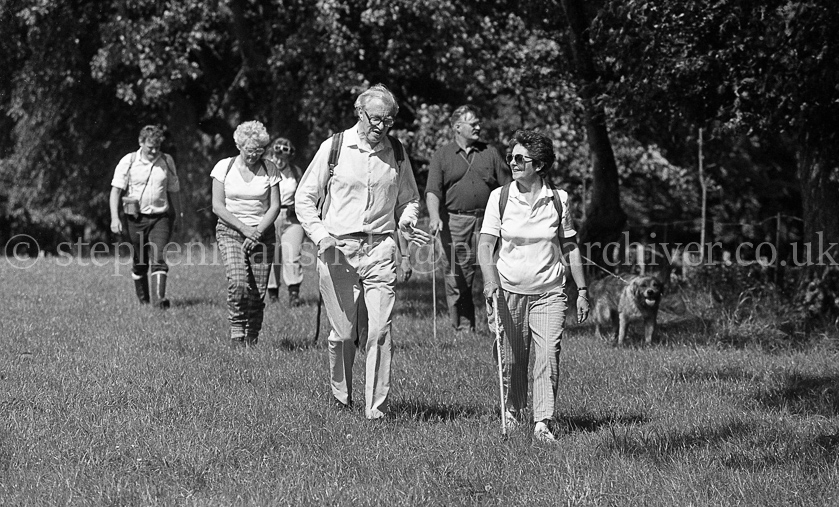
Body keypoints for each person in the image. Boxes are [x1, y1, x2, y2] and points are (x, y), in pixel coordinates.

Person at [295, 84, 430, 419]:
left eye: (388, 121)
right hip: (338, 248)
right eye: (375, 119)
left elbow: (410, 198)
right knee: (342, 334)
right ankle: (342, 399)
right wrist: (321, 236)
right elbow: (304, 198)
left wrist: (407, 222)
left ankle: (376, 408)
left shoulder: (396, 152)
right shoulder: (335, 147)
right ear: (359, 112)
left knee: (380, 330)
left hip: (381, 248)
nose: (381, 127)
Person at [477, 129, 589, 442]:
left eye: (519, 158)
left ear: (538, 165)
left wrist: (581, 290)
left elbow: (570, 246)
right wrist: (490, 281)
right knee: (512, 359)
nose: (511, 163)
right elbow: (485, 245)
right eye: (511, 157)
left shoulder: (558, 199)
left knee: (548, 355)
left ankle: (543, 423)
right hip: (508, 290)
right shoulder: (499, 198)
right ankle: (511, 412)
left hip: (550, 291)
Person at [425, 105, 511, 332]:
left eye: (478, 123)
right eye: (473, 124)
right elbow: (433, 191)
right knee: (457, 278)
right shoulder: (442, 155)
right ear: (457, 127)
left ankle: (500, 326)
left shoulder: (490, 153)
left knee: (495, 272)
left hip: (488, 223)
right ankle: (464, 330)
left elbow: (509, 188)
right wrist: (434, 217)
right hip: (454, 223)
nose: (478, 127)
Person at [211, 121, 281, 347]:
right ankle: (236, 332)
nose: (254, 154)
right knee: (239, 282)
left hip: (262, 234)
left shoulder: (270, 168)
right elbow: (217, 206)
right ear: (239, 146)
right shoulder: (224, 167)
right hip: (231, 231)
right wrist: (245, 230)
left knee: (258, 291)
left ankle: (252, 338)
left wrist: (257, 232)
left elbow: (274, 206)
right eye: (249, 150)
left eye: (259, 150)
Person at [109, 124, 182, 309]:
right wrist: (115, 218)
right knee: (140, 261)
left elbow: (174, 190)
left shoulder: (167, 160)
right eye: (151, 147)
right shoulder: (129, 161)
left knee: (158, 258)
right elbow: (115, 191)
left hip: (161, 217)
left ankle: (159, 302)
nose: (155, 151)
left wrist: (178, 216)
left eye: (158, 146)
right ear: (141, 142)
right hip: (136, 218)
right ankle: (144, 302)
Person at [264, 137, 306, 307]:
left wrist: (297, 206)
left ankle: (294, 294)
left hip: (291, 217)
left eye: (283, 158)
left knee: (292, 255)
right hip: (269, 216)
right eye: (276, 156)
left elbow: (304, 192)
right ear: (271, 154)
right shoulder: (265, 169)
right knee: (272, 255)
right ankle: (273, 294)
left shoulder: (295, 172)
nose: (279, 161)